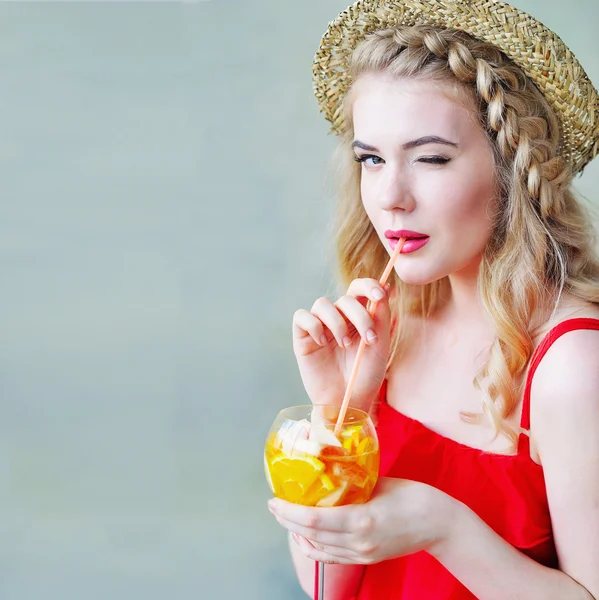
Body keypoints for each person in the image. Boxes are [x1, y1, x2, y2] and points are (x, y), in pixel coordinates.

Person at [266, 1, 599, 598]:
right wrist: (344, 411)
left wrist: (441, 528)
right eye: (371, 159)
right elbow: (328, 589)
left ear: (510, 170)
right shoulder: (393, 327)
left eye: (431, 158)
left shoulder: (572, 366)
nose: (390, 196)